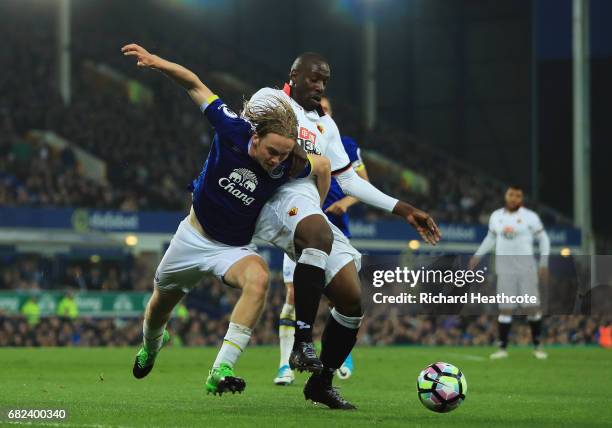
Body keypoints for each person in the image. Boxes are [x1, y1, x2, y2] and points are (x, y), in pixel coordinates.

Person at [121, 43, 331, 395]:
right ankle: (151, 346)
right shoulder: (231, 128)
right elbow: (194, 84)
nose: (277, 160)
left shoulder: (290, 161)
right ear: (256, 135)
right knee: (158, 307)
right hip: (192, 237)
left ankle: (220, 371)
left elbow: (322, 168)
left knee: (260, 279)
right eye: (272, 151)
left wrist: (317, 208)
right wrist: (156, 62)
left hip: (233, 248)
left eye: (284, 153)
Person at [250, 52, 441, 409]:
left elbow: (348, 179)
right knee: (319, 234)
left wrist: (402, 209)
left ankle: (321, 383)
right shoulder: (270, 100)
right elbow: (242, 140)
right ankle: (302, 340)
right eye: (313, 79)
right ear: (294, 74)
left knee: (352, 301)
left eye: (325, 81)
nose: (320, 87)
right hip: (273, 200)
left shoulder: (325, 126)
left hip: (306, 203)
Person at [274, 96, 367, 386]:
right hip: (301, 223)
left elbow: (362, 184)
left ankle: (338, 356)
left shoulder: (345, 143)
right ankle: (285, 364)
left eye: (325, 106)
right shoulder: (292, 137)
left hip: (336, 226)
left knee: (339, 295)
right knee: (293, 295)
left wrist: (346, 204)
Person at [468, 185, 550, 360]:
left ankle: (537, 346)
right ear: (506, 196)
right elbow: (490, 238)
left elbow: (544, 239)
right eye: (511, 194)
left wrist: (544, 263)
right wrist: (477, 256)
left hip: (526, 268)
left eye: (518, 196)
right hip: (505, 269)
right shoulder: (496, 216)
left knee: (531, 307)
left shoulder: (530, 217)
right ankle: (502, 348)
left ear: (522, 199)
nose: (514, 198)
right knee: (505, 309)